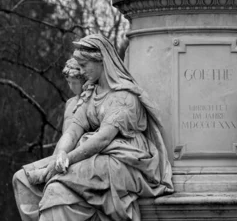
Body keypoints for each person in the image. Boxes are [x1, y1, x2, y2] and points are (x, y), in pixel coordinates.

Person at [13, 35, 173, 221]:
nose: (80, 71)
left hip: (124, 158)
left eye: (83, 65)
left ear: (102, 60)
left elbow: (104, 139)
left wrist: (66, 161)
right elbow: (73, 131)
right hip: (93, 154)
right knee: (22, 179)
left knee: (55, 188)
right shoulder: (91, 93)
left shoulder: (124, 96)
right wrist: (59, 156)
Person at [13, 58, 85, 221]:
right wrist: (54, 159)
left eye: (75, 82)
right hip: (60, 156)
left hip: (77, 160)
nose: (72, 87)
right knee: (19, 178)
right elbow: (66, 137)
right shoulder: (70, 103)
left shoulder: (92, 102)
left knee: (50, 188)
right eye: (69, 82)